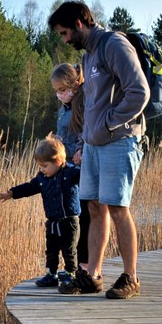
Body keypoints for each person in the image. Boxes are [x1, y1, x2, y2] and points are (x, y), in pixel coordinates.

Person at [47, 0, 148, 300]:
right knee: (94, 207)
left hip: (120, 140)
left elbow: (139, 92)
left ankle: (131, 277)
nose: (64, 40)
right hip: (93, 145)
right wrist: (87, 138)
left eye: (65, 33)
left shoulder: (114, 45)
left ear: (79, 23)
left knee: (118, 208)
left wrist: (107, 123)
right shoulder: (89, 57)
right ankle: (93, 276)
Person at [0, 135, 81, 288]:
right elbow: (29, 187)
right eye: (40, 166)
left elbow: (85, 174)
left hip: (69, 220)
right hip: (52, 221)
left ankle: (70, 274)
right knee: (51, 250)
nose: (42, 169)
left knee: (69, 249)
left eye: (45, 165)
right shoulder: (42, 178)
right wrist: (12, 193)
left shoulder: (71, 173)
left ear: (58, 162)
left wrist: (83, 161)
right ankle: (51, 274)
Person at [50, 62, 91, 277]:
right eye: (56, 91)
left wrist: (81, 148)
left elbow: (88, 129)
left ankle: (83, 264)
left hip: (80, 168)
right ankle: (70, 265)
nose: (59, 95)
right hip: (65, 167)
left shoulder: (83, 104)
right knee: (68, 217)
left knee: (81, 215)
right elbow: (62, 133)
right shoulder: (63, 108)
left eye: (61, 90)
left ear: (73, 85)